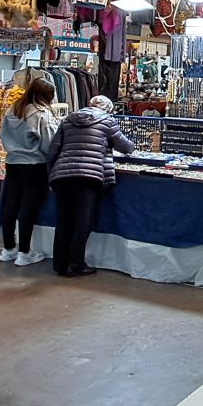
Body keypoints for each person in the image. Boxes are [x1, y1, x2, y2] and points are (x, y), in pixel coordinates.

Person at [47, 95, 135, 277]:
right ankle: (76, 264)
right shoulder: (107, 121)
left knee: (64, 221)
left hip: (62, 175)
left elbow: (53, 149)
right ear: (107, 109)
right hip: (88, 176)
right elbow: (125, 146)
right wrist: (133, 147)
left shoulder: (68, 120)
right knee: (82, 221)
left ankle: (60, 264)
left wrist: (50, 174)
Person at [0, 78, 58, 267]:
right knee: (28, 207)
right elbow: (49, 143)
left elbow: (2, 134)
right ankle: (24, 252)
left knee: (10, 205)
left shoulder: (13, 109)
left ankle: (8, 248)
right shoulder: (41, 113)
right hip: (34, 164)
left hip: (12, 162)